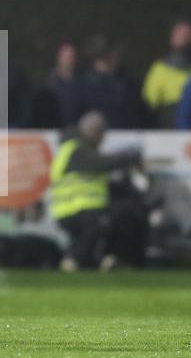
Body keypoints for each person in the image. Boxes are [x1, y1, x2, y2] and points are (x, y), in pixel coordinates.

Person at [49, 111, 147, 270]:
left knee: (123, 213)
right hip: (75, 208)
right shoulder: (76, 150)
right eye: (101, 134)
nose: (103, 140)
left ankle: (106, 259)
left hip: (76, 207)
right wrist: (131, 156)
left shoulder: (75, 150)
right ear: (94, 132)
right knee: (100, 222)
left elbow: (95, 179)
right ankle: (73, 260)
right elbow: (101, 164)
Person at [142, 20, 191, 128]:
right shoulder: (159, 69)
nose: (183, 38)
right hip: (167, 130)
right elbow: (148, 105)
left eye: (187, 35)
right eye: (180, 34)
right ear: (172, 38)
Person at [79, 36, 146, 129]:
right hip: (95, 138)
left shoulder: (130, 85)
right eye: (105, 57)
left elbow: (141, 115)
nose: (112, 59)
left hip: (127, 136)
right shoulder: (83, 86)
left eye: (114, 55)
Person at [45, 41, 83, 128]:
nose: (69, 60)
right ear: (59, 58)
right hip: (54, 130)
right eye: (66, 57)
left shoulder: (81, 84)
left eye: (71, 57)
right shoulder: (50, 84)